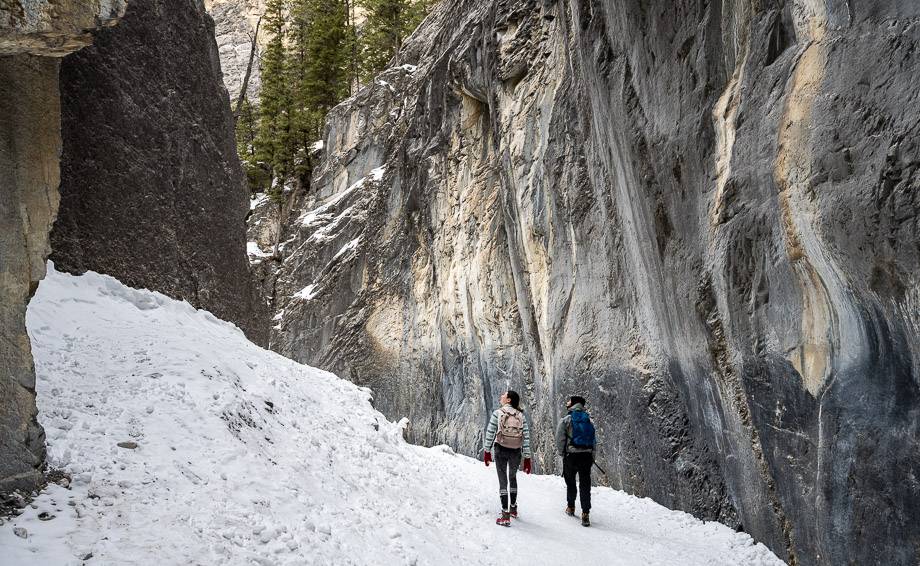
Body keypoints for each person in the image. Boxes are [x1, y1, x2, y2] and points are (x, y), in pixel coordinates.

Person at [483, 390, 533, 527]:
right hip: (516, 450)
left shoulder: (498, 413)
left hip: (501, 448)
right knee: (512, 477)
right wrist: (527, 457)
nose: (501, 396)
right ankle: (513, 508)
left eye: (504, 395)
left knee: (503, 479)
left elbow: (490, 432)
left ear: (509, 400)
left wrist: (487, 451)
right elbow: (526, 437)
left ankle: (505, 514)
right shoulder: (521, 416)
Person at [555, 395, 596, 527]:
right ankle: (585, 513)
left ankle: (571, 507)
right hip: (586, 456)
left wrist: (562, 453)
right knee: (585, 484)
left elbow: (559, 438)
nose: (566, 402)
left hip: (571, 456)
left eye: (569, 400)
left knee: (571, 482)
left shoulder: (566, 419)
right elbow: (594, 442)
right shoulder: (589, 421)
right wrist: (592, 457)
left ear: (573, 403)